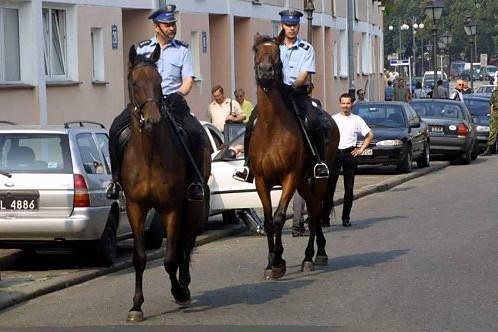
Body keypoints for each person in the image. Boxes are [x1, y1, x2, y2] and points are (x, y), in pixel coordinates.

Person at [106, 4, 206, 201]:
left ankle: (195, 182)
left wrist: (178, 94)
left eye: (173, 24)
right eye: (167, 25)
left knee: (195, 131)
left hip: (172, 101)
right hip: (144, 103)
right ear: (156, 27)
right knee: (115, 128)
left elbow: (188, 80)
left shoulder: (182, 50)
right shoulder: (142, 49)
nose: (172, 28)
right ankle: (116, 180)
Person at [233, 9, 329, 182]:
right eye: (288, 25)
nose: (291, 29)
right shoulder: (274, 47)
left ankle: (318, 162)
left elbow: (304, 74)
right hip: (275, 96)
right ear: (282, 26)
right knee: (252, 122)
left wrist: (293, 86)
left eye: (294, 25)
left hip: (297, 93)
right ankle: (247, 166)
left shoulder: (307, 48)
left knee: (313, 120)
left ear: (298, 26)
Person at [330, 93, 374, 227]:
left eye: (348, 103)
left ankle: (346, 217)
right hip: (335, 154)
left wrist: (360, 149)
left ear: (351, 105)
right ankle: (325, 218)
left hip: (350, 154)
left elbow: (369, 135)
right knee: (329, 187)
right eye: (343, 103)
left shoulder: (357, 119)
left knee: (348, 188)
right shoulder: (333, 119)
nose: (345, 106)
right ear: (339, 104)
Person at [480, 78, 498, 156]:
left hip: (495, 114)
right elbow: (491, 105)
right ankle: (490, 149)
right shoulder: (495, 93)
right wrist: (491, 114)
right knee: (493, 132)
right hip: (495, 114)